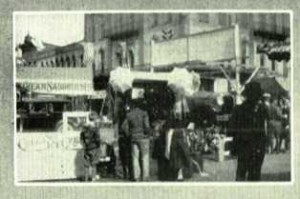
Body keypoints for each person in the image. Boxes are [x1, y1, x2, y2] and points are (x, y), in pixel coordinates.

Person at [229, 82, 269, 181]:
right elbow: (265, 129)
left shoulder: (237, 109)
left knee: (241, 174)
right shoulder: (263, 109)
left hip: (244, 148)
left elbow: (231, 130)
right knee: (255, 176)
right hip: (258, 149)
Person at [122, 99, 151, 181]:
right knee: (145, 157)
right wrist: (148, 133)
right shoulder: (144, 113)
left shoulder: (129, 115)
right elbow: (146, 126)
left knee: (135, 157)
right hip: (143, 137)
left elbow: (123, 127)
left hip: (133, 137)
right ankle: (145, 176)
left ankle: (136, 176)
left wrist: (129, 133)